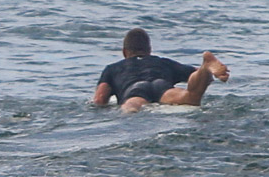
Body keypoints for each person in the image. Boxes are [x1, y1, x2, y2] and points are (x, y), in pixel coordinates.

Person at [93, 28, 229, 113]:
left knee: (131, 109)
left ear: (124, 52)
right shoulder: (163, 62)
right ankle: (205, 67)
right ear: (149, 50)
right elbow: (198, 75)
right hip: (162, 86)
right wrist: (205, 74)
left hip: (133, 91)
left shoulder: (113, 68)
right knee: (189, 98)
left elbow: (100, 99)